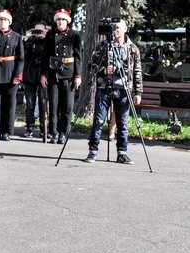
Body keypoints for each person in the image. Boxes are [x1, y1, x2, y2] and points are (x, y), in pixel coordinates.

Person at [84, 19, 143, 164]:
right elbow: (91, 66)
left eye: (118, 27)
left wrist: (138, 92)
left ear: (125, 29)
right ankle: (93, 151)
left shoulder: (133, 49)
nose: (115, 30)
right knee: (98, 121)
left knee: (123, 123)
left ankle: (122, 153)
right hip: (104, 87)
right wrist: (104, 70)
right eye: (113, 28)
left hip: (124, 89)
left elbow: (137, 71)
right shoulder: (103, 46)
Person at [40, 9, 82, 144]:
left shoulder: (74, 35)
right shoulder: (50, 35)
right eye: (58, 20)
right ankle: (54, 132)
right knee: (53, 105)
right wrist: (43, 74)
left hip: (68, 74)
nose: (60, 22)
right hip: (53, 73)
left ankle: (64, 132)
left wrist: (78, 75)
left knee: (67, 106)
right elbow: (45, 56)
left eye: (63, 20)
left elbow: (78, 57)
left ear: (67, 21)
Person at [0, 9, 24, 141]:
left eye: (5, 20)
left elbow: (20, 58)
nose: (2, 22)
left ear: (9, 22)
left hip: (11, 72)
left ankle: (7, 131)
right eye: (0, 20)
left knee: (9, 104)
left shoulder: (16, 37)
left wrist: (18, 75)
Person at [22, 21, 48, 138]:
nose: (38, 33)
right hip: (30, 75)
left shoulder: (48, 43)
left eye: (41, 31)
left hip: (43, 75)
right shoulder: (30, 42)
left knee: (43, 103)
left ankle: (43, 128)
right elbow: (21, 54)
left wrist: (46, 37)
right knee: (30, 103)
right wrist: (26, 38)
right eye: (36, 31)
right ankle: (30, 127)